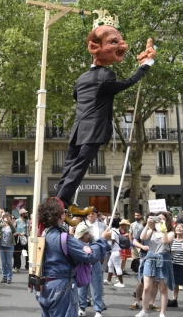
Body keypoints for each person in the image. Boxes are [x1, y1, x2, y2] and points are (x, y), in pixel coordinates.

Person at [55, 22, 156, 225]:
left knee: (69, 167)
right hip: (94, 130)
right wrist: (145, 65)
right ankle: (60, 203)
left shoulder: (81, 78)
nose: (121, 47)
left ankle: (61, 202)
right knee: (79, 167)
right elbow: (125, 84)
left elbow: (77, 96)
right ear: (95, 48)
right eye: (114, 42)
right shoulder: (106, 75)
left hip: (78, 129)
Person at [35, 197, 110, 317]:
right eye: (64, 213)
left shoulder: (42, 235)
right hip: (62, 286)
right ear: (60, 215)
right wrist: (102, 241)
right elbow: (89, 254)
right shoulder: (62, 237)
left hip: (44, 286)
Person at [136, 211, 175, 317]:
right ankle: (144, 310)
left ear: (167, 220)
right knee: (147, 287)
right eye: (158, 218)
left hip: (164, 259)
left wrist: (162, 227)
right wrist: (148, 224)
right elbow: (142, 237)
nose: (159, 220)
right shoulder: (151, 230)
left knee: (162, 288)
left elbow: (165, 241)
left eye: (162, 218)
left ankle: (162, 313)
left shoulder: (170, 232)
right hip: (150, 259)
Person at [77, 209, 108, 317]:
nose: (90, 215)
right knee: (81, 285)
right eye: (88, 214)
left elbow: (106, 243)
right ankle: (82, 307)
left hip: (96, 260)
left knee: (96, 286)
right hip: (82, 260)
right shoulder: (80, 225)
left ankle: (98, 310)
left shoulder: (103, 226)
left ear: (96, 215)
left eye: (93, 213)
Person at [168, 223, 183, 307]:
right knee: (175, 283)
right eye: (177, 227)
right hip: (174, 264)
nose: (179, 229)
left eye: (181, 228)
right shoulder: (172, 240)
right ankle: (174, 300)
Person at [105, 218, 126, 288]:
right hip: (116, 251)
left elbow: (113, 240)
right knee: (110, 265)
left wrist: (108, 245)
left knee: (117, 266)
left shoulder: (112, 231)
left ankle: (121, 282)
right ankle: (109, 279)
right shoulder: (117, 231)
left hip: (115, 251)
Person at [0, 214, 16, 284]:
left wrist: (9, 223)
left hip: (10, 246)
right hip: (1, 246)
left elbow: (14, 230)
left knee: (9, 262)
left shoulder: (11, 226)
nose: (6, 219)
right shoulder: (1, 225)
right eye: (5, 218)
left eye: (8, 218)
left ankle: (9, 278)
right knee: (3, 262)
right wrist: (0, 218)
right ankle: (4, 277)